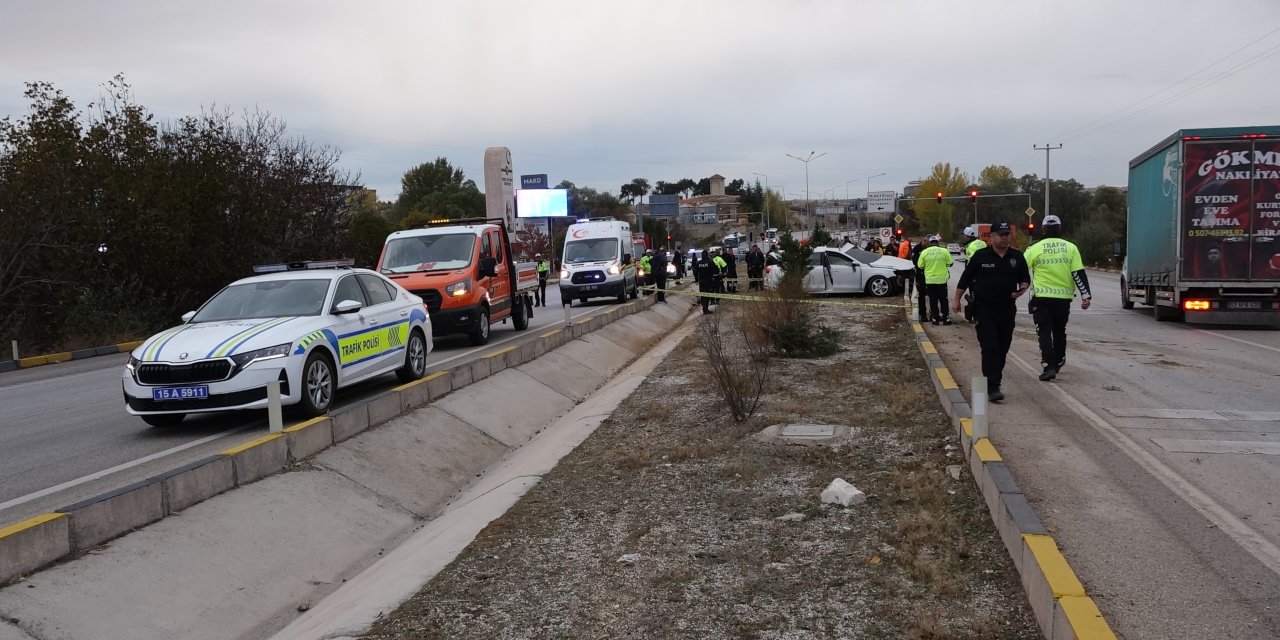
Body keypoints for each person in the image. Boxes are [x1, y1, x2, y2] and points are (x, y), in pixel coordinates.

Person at [951, 221, 1031, 403]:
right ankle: (993, 386)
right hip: (984, 309)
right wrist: (956, 299)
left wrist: (1022, 289)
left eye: (1007, 234)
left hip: (1007, 309)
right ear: (992, 237)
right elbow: (965, 279)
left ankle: (994, 378)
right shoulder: (981, 256)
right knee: (990, 348)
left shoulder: (1016, 257)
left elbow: (1025, 279)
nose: (1005, 237)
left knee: (1003, 348)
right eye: (1001, 234)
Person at [1023, 215, 1092, 381]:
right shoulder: (1071, 248)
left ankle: (1048, 366)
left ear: (1044, 229)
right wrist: (1086, 296)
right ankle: (1059, 359)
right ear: (1060, 229)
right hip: (1063, 299)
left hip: (1042, 297)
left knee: (1044, 332)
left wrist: (1015, 288)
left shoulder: (1034, 248)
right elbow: (1078, 273)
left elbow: (1021, 269)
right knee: (1060, 330)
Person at [917, 235, 954, 325]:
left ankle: (935, 319)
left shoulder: (924, 252)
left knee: (933, 300)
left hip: (930, 281)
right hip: (942, 281)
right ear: (938, 243)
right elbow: (950, 263)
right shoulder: (944, 251)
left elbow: (920, 265)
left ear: (930, 243)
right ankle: (946, 318)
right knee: (944, 300)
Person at [909, 238, 929, 322]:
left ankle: (934, 314)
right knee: (921, 295)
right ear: (924, 241)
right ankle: (922, 313)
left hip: (930, 274)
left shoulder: (929, 248)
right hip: (920, 274)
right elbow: (914, 261)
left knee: (932, 295)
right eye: (927, 243)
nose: (928, 245)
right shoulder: (917, 248)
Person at [693, 249, 717, 314]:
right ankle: (706, 309)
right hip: (709, 281)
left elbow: (695, 272)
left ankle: (704, 309)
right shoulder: (710, 262)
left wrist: (696, 279)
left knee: (703, 295)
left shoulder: (698, 263)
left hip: (701, 281)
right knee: (707, 295)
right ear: (707, 255)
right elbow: (715, 269)